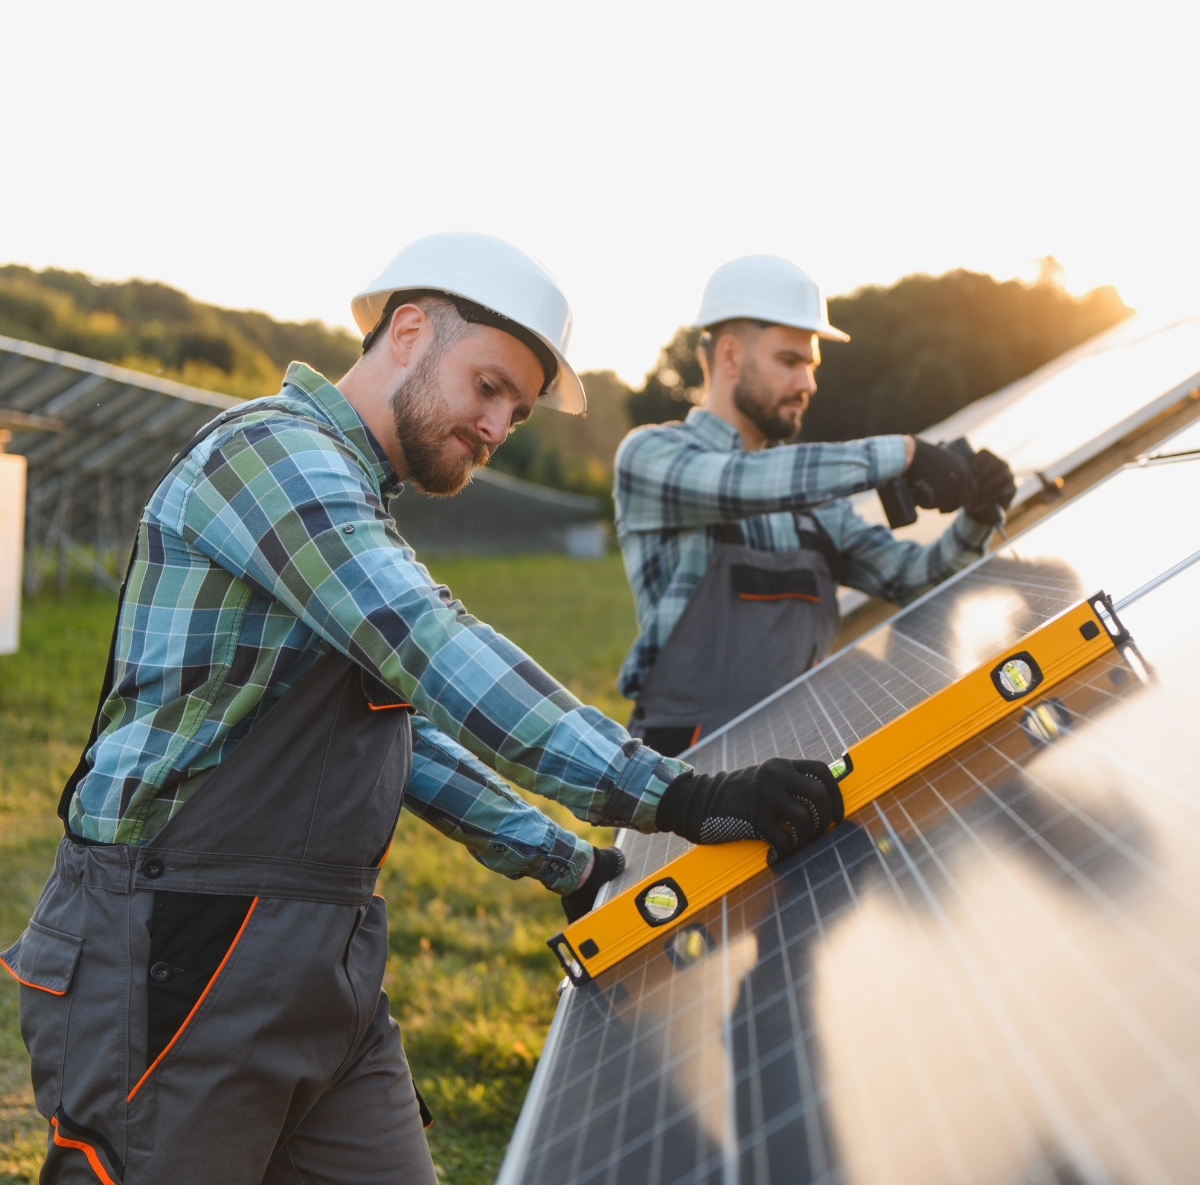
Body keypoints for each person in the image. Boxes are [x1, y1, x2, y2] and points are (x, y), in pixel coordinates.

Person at [2, 233, 844, 1185]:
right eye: (487, 387)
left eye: (516, 413)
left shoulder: (350, 502)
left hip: (324, 961)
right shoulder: (270, 458)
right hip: (172, 946)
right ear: (407, 332)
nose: (495, 425)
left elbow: (393, 730)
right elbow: (431, 648)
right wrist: (677, 797)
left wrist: (567, 861)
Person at [615, 254, 1016, 755]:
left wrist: (977, 519)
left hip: (798, 759)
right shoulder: (651, 456)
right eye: (790, 361)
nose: (807, 384)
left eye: (810, 365)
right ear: (731, 356)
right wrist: (906, 454)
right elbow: (743, 486)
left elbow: (913, 579)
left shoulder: (811, 503)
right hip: (685, 773)